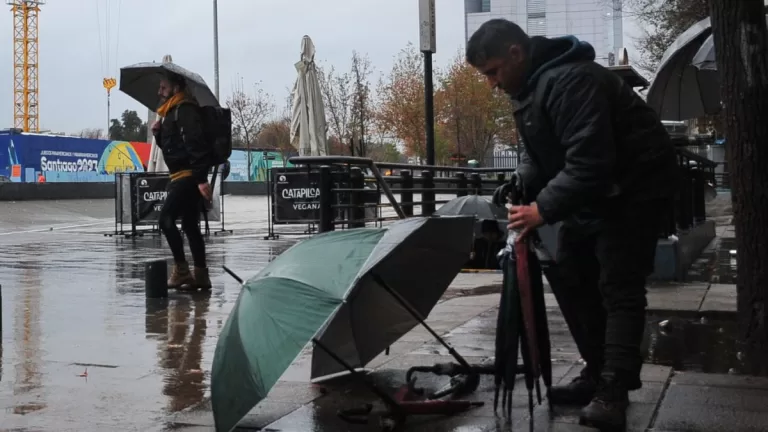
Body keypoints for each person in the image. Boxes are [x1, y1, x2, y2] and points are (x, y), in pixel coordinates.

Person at [466, 19, 678, 430]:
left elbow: (589, 161)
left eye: (493, 72)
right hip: (596, 192)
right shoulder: (529, 88)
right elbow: (539, 153)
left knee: (619, 285)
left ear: (516, 54)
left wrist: (541, 209)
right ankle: (597, 372)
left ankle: (613, 392)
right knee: (569, 272)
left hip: (634, 188)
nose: (491, 84)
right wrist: (522, 181)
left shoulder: (571, 81)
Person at [152, 72, 213, 290]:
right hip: (183, 175)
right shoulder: (171, 113)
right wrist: (158, 135)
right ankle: (201, 275)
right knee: (189, 224)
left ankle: (181, 270)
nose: (159, 92)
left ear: (176, 88)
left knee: (165, 219)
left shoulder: (185, 110)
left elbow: (196, 145)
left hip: (187, 177)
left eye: (163, 87)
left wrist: (200, 180)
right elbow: (174, 148)